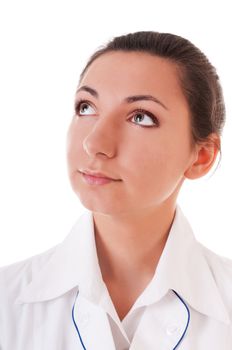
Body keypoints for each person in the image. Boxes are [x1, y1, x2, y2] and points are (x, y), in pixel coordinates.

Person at [0, 31, 231, 350]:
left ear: (201, 157)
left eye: (141, 117)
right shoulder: (7, 303)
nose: (94, 142)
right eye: (86, 107)